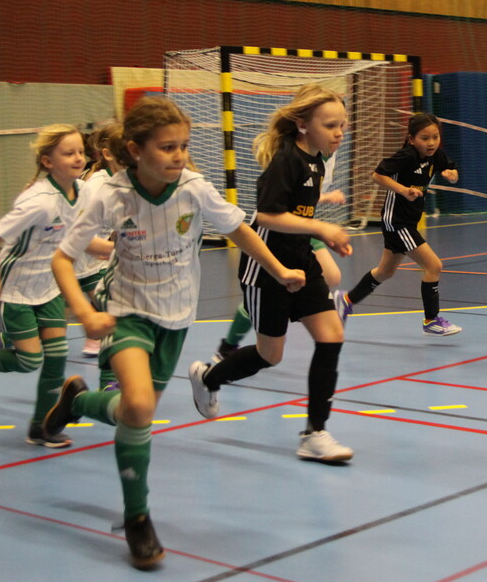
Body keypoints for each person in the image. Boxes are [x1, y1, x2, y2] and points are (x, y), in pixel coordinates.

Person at [42, 96, 305, 569]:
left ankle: (77, 402)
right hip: (127, 311)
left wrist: (279, 269)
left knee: (133, 412)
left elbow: (239, 230)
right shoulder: (109, 195)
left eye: (183, 145)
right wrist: (83, 312)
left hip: (176, 317)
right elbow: (62, 258)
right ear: (135, 150)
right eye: (167, 147)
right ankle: (138, 518)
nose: (179, 155)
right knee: (140, 407)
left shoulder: (194, 189)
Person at [189, 84, 354, 464]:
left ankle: (315, 433)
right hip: (267, 268)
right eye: (330, 125)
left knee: (332, 336)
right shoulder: (287, 160)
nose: (339, 133)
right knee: (270, 355)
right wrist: (322, 228)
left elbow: (298, 215)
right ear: (303, 125)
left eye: (342, 125)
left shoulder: (316, 161)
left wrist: (323, 236)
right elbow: (266, 216)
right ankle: (208, 378)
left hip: (301, 261)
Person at [0, 124, 113, 449]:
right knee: (29, 360)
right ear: (48, 161)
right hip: (15, 289)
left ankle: (41, 428)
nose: (78, 158)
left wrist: (120, 250)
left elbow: (80, 239)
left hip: (49, 287)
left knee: (57, 357)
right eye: (69, 153)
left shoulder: (84, 193)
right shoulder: (38, 201)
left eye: (80, 151)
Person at [336, 113, 461, 336]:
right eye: (424, 138)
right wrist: (403, 190)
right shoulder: (406, 156)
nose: (431, 143)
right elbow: (377, 176)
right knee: (433, 266)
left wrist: (452, 174)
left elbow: (450, 169)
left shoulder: (436, 155)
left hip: (408, 221)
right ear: (411, 139)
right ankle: (431, 320)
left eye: (435, 137)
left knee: (385, 272)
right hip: (397, 222)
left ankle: (345, 301)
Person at [215, 152, 345, 360]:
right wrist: (327, 199)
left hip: (302, 228)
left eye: (341, 132)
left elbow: (307, 198)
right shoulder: (294, 156)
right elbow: (285, 199)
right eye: (332, 131)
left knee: (332, 276)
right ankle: (230, 344)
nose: (338, 136)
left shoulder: (325, 157)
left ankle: (305, 307)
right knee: (268, 294)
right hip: (277, 229)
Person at [75, 120, 124, 361]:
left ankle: (98, 339)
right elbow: (76, 232)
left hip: (93, 262)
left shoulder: (123, 181)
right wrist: (108, 247)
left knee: (113, 306)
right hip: (71, 259)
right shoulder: (96, 186)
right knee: (42, 320)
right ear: (108, 154)